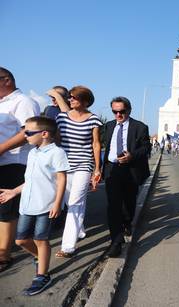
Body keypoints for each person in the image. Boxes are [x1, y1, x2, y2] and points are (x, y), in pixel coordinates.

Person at [0, 116, 68, 295]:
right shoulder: (32, 153)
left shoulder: (57, 153)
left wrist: (57, 203)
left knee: (40, 239)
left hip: (46, 205)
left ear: (44, 134)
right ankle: (40, 257)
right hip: (27, 206)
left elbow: (62, 179)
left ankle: (42, 275)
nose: (25, 135)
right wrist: (14, 192)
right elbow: (29, 180)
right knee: (21, 240)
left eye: (28, 132)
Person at [50, 85, 102, 258]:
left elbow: (96, 144)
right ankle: (79, 230)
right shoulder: (61, 117)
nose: (70, 100)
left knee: (74, 202)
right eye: (69, 97)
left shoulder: (93, 119)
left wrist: (97, 169)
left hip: (83, 165)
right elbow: (56, 139)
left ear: (85, 101)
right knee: (71, 201)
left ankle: (67, 247)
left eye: (74, 97)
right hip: (64, 165)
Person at [0, 67, 40, 272]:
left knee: (6, 210)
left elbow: (29, 131)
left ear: (6, 80)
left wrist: (1, 149)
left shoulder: (23, 101)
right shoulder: (2, 104)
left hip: (13, 161)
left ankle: (3, 255)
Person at [102, 97, 150, 257]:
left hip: (130, 169)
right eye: (115, 112)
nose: (118, 115)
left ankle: (127, 221)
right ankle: (116, 241)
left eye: (121, 111)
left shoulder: (140, 127)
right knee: (112, 205)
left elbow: (145, 148)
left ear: (129, 110)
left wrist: (132, 156)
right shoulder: (108, 126)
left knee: (129, 202)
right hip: (111, 169)